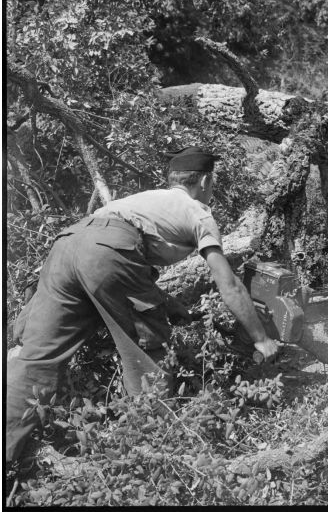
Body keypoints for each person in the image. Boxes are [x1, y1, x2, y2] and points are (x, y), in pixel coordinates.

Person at [6, 146, 279, 465]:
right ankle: (147, 457)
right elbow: (228, 283)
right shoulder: (197, 211)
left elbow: (113, 255)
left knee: (39, 358)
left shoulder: (147, 199)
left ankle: (6, 450)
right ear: (204, 181)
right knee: (149, 356)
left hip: (66, 245)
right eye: (211, 182)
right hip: (104, 253)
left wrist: (165, 301)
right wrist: (261, 338)